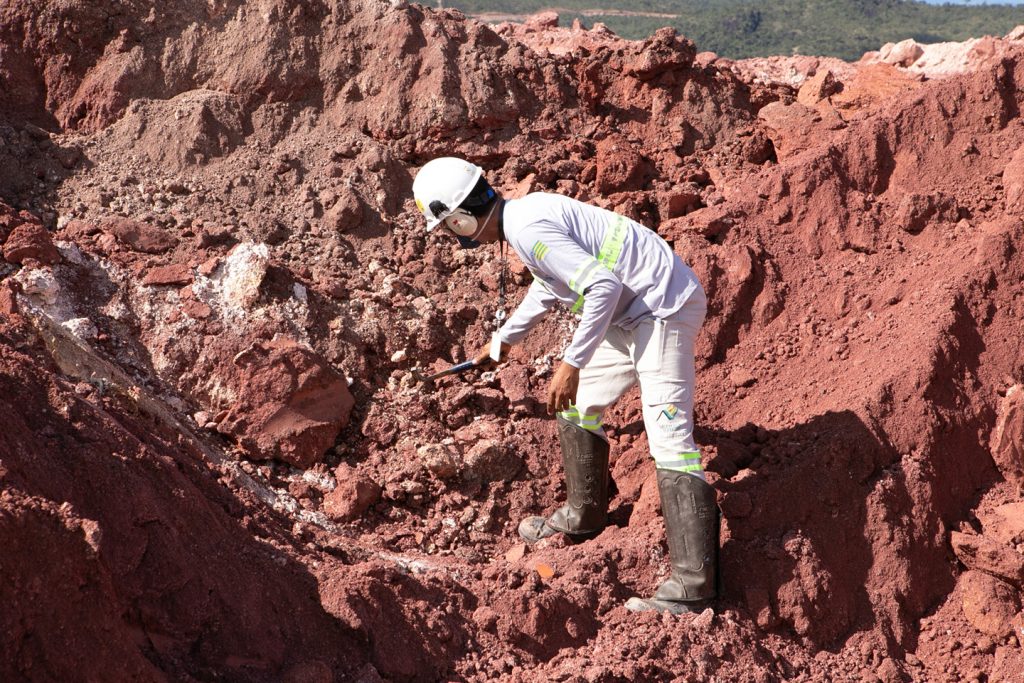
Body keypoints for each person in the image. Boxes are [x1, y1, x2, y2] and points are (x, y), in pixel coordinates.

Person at [411, 157, 718, 614]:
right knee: (576, 406)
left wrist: (572, 361)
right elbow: (550, 287)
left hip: (662, 308)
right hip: (631, 315)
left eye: (450, 227)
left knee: (669, 439)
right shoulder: (523, 219)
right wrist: (501, 343)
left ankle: (694, 588)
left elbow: (602, 285)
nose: (455, 237)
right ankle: (584, 516)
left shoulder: (527, 228)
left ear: (460, 218)